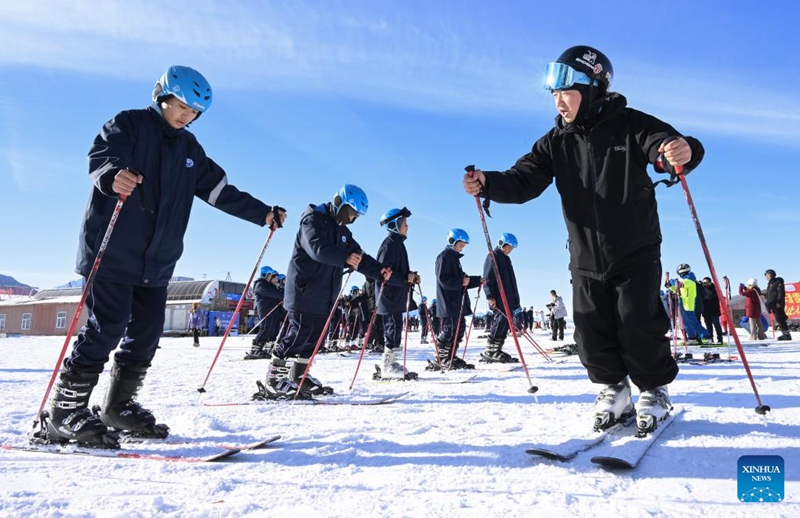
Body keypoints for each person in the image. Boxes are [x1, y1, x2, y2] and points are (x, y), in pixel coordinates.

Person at [38, 65, 287, 448]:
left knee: (148, 331)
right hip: (112, 252)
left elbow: (220, 191)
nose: (187, 117)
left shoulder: (190, 150)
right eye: (182, 107)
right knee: (107, 326)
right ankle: (64, 412)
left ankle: (118, 407)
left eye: (194, 112)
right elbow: (102, 156)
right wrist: (113, 175)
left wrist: (262, 214)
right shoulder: (129, 124)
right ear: (162, 96)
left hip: (156, 262)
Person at [462, 45, 705, 432]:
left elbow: (665, 145)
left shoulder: (630, 123)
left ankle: (654, 390)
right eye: (554, 94)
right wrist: (488, 182)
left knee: (638, 323)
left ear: (593, 88)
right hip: (586, 255)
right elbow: (523, 179)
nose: (559, 101)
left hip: (635, 249)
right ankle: (614, 388)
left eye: (567, 92)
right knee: (590, 330)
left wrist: (681, 150)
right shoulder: (555, 142)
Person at [253, 184, 391, 400]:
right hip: (304, 290)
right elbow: (317, 248)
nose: (353, 218)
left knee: (315, 336)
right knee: (299, 333)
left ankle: (299, 376)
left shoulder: (343, 232)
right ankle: (274, 380)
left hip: (325, 295)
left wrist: (379, 270)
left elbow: (359, 256)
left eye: (356, 215)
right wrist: (344, 258)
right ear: (339, 203)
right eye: (352, 212)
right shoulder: (312, 221)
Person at [427, 229, 482, 371]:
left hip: (457, 302)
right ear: (452, 242)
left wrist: (478, 280)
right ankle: (441, 358)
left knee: (459, 329)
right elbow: (443, 280)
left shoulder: (454, 259)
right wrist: (460, 282)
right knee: (449, 330)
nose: (462, 248)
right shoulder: (444, 257)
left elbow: (463, 279)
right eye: (460, 245)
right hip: (448, 302)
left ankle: (450, 356)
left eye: (463, 246)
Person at [374, 207, 420, 379]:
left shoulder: (398, 244)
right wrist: (404, 278)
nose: (407, 226)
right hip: (389, 296)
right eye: (404, 223)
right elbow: (384, 273)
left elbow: (399, 271)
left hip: (396, 295)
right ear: (394, 225)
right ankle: (387, 366)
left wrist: (411, 277)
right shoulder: (389, 245)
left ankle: (392, 363)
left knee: (396, 328)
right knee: (392, 328)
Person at [481, 232, 521, 363]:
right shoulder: (493, 256)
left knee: (505, 324)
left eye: (511, 249)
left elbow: (511, 281)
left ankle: (497, 349)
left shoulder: (506, 259)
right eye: (508, 247)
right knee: (500, 322)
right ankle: (491, 351)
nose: (510, 250)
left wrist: (516, 299)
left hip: (509, 298)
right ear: (501, 244)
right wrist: (490, 296)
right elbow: (487, 278)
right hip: (498, 297)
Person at [245, 266, 283, 359]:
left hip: (272, 310)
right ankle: (255, 349)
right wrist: (282, 294)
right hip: (265, 309)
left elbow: (277, 293)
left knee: (271, 329)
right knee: (265, 328)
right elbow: (273, 294)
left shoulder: (268, 284)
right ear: (265, 274)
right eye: (270, 275)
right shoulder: (260, 284)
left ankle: (264, 348)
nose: (271, 277)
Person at [674, 264, 710, 345]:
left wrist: (673, 282)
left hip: (688, 305)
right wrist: (670, 286)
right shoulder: (685, 280)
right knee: (686, 323)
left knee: (693, 322)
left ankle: (706, 336)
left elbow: (682, 284)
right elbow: (677, 288)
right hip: (683, 304)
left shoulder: (689, 280)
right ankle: (692, 338)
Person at [765, 269, 792, 341]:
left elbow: (780, 292)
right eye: (766, 275)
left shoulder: (778, 282)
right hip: (773, 304)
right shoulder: (770, 284)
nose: (767, 277)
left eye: (768, 275)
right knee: (779, 319)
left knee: (780, 319)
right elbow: (772, 294)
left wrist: (779, 302)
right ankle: (786, 334)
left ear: (773, 275)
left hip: (777, 304)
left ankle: (786, 335)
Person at [700, 277, 723, 345]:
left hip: (714, 311)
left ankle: (720, 339)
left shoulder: (715, 288)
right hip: (706, 311)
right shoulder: (702, 289)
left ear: (710, 282)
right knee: (708, 326)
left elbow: (716, 296)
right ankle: (710, 339)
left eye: (707, 282)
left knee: (717, 325)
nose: (706, 284)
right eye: (704, 283)